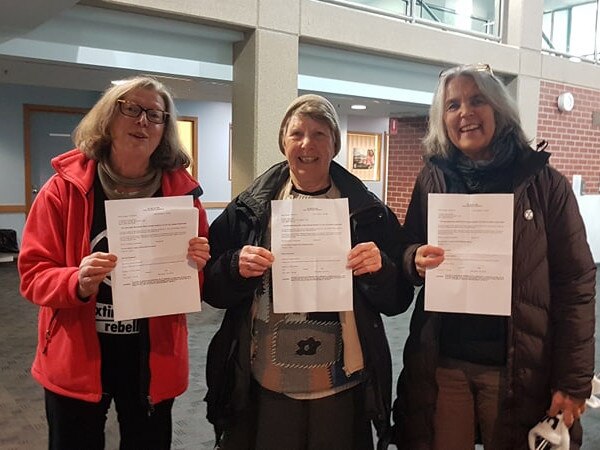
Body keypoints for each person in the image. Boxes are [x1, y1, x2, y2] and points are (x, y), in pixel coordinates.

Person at [391, 63, 596, 450]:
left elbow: (577, 286)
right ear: (442, 119)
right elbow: (408, 246)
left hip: (519, 369)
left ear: (500, 111)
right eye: (452, 105)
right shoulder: (432, 179)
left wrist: (572, 381)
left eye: (476, 100)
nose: (465, 112)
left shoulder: (544, 184)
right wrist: (413, 258)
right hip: (444, 361)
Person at [203, 94, 413, 450]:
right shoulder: (249, 208)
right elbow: (210, 286)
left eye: (319, 133)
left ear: (335, 144)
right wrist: (234, 266)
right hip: (267, 376)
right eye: (296, 133)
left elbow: (398, 300)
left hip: (340, 379)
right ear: (283, 142)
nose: (307, 144)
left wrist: (381, 272)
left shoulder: (369, 212)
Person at [18, 76, 210, 450]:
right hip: (77, 352)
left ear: (165, 129)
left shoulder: (182, 195)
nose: (143, 121)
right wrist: (77, 281)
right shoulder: (63, 189)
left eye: (155, 115)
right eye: (132, 109)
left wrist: (195, 268)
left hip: (151, 356)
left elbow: (194, 289)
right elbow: (33, 275)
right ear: (108, 118)